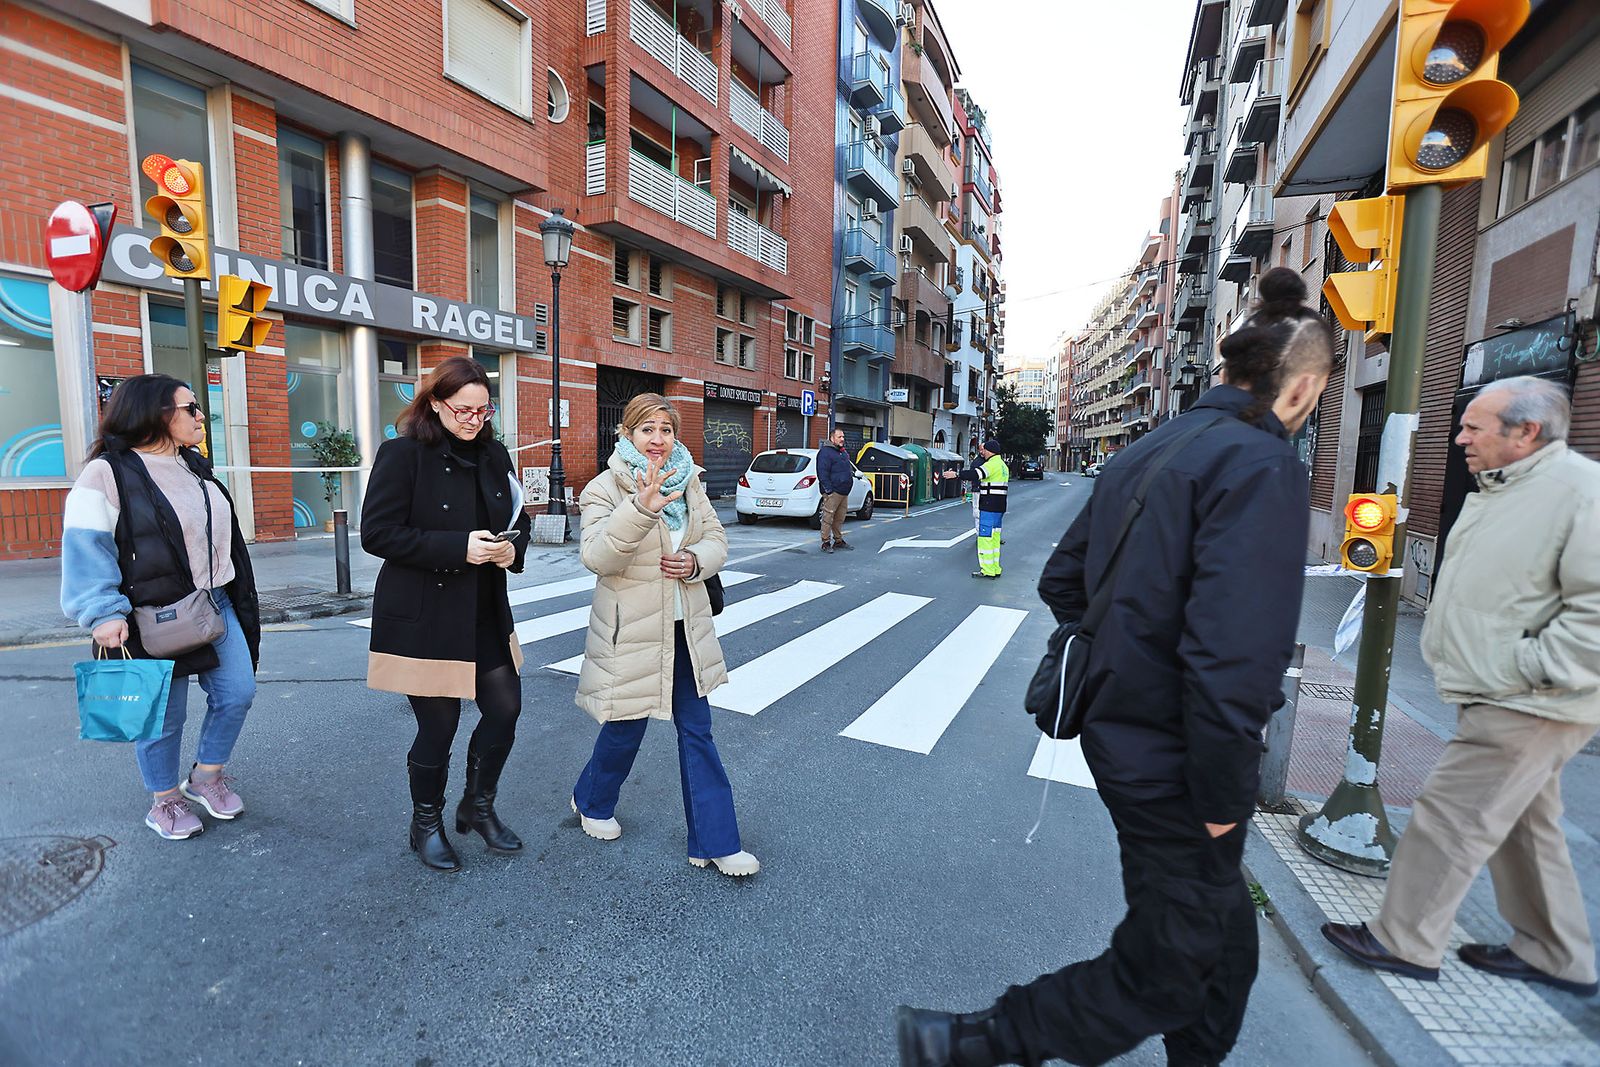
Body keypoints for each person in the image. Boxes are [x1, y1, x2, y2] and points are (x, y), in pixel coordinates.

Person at [897, 268, 1333, 1067]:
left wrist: (1124, 645)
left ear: (1228, 370)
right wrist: (1224, 798)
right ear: (1302, 390)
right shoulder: (1261, 464)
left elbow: (1064, 579)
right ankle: (965, 1043)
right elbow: (1232, 657)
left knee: (1223, 948)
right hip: (1179, 759)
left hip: (1122, 733)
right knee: (1168, 969)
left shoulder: (1147, 449)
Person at [1323, 376, 1600, 996]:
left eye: (1475, 426)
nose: (1459, 438)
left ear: (1525, 432)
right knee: (1529, 827)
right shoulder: (1510, 489)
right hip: (1508, 691)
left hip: (1528, 700)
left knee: (1450, 816)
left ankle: (1404, 940)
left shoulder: (1578, 494)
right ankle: (1556, 953)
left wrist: (1526, 669)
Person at [61, 374, 261, 840]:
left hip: (214, 601)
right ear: (156, 413)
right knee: (163, 716)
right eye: (190, 408)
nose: (199, 416)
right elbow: (85, 545)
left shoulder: (195, 464)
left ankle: (206, 777)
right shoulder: (107, 472)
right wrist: (102, 611)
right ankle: (165, 801)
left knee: (237, 692)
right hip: (151, 614)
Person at [569, 393, 759, 877]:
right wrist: (640, 508)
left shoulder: (690, 482)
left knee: (698, 731)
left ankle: (715, 841)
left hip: (685, 628)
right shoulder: (603, 489)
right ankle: (591, 799)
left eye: (666, 430)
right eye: (647, 429)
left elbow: (717, 539)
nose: (658, 439)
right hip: (631, 631)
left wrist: (696, 561)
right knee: (626, 726)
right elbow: (598, 556)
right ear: (627, 434)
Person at [361, 355, 531, 873]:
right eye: (464, 410)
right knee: (440, 725)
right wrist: (459, 547)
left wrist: (510, 550)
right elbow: (377, 534)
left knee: (505, 709)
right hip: (425, 612)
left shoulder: (495, 454)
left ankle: (477, 807)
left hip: (483, 608)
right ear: (435, 405)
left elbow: (516, 520)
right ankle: (425, 824)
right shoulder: (402, 454)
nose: (475, 420)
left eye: (484, 410)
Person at [942, 439, 1009, 578]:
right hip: (999, 506)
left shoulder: (991, 465)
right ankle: (995, 568)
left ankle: (987, 570)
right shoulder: (1003, 465)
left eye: (984, 450)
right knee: (995, 538)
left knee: (985, 538)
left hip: (989, 505)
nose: (982, 452)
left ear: (990, 451)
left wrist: (956, 474)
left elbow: (975, 474)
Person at [816, 427, 855, 554]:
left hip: (844, 491)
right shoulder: (825, 453)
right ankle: (825, 542)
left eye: (843, 437)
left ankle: (838, 540)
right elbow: (822, 473)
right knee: (828, 517)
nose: (842, 439)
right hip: (833, 492)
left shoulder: (842, 452)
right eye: (840, 437)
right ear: (832, 438)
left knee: (839, 518)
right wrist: (829, 490)